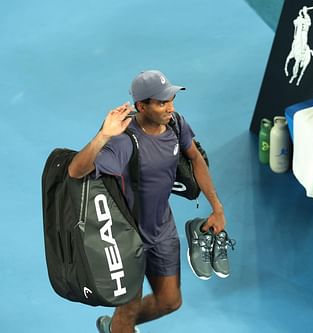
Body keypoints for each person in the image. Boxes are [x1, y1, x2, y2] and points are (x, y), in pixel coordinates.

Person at [68, 70, 227, 333]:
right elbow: (75, 170)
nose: (170, 108)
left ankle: (116, 327)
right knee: (128, 309)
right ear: (141, 106)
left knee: (170, 301)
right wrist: (103, 136)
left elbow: (196, 158)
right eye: (162, 102)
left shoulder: (176, 123)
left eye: (171, 99)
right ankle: (121, 326)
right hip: (124, 239)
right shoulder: (123, 141)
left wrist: (216, 207)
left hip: (162, 228)